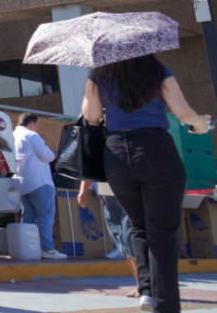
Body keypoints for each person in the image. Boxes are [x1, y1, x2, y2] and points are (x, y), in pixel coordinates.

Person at [83, 54, 210, 313]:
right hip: (156, 150)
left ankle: (148, 292)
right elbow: (183, 112)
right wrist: (201, 124)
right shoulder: (158, 70)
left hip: (116, 154)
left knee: (138, 225)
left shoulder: (98, 75)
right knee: (162, 232)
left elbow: (92, 116)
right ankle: (166, 306)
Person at [14, 112, 66, 259]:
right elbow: (47, 156)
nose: (37, 128)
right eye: (37, 125)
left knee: (27, 218)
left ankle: (28, 249)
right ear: (31, 123)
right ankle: (47, 249)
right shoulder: (31, 136)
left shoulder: (11, 136)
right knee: (45, 216)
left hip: (22, 184)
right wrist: (54, 154)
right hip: (40, 182)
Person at [79, 181, 139, 295]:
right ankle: (141, 284)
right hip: (109, 194)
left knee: (129, 237)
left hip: (130, 190)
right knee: (122, 241)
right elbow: (93, 165)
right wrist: (83, 190)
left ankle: (145, 286)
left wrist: (83, 190)